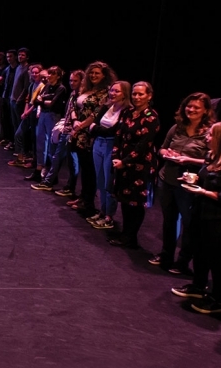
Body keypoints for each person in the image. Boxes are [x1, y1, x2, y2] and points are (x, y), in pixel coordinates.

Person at [171, 121, 221, 315]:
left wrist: (204, 192)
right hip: (201, 212)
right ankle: (198, 287)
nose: (207, 138)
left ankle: (217, 299)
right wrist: (193, 179)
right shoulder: (212, 156)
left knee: (217, 259)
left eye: (211, 135)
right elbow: (204, 177)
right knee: (199, 252)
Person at [151, 92, 211, 272]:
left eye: (196, 107)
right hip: (167, 178)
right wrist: (167, 154)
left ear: (206, 111)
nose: (191, 110)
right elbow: (162, 149)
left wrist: (188, 160)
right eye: (188, 106)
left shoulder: (209, 132)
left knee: (189, 223)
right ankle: (166, 254)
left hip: (189, 184)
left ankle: (183, 261)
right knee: (169, 220)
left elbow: (212, 159)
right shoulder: (177, 127)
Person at [109, 81, 160, 249]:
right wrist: (116, 156)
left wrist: (125, 162)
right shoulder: (127, 112)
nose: (137, 97)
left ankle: (131, 237)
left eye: (141, 94)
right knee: (124, 199)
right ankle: (126, 233)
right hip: (122, 161)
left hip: (140, 165)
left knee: (136, 203)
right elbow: (118, 135)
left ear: (149, 96)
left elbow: (144, 145)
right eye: (134, 94)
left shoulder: (151, 117)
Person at [66, 62, 115, 217]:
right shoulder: (85, 89)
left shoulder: (106, 93)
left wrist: (80, 127)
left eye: (97, 73)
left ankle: (89, 203)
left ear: (104, 76)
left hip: (90, 134)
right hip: (78, 131)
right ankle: (83, 197)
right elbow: (73, 104)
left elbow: (97, 114)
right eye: (92, 73)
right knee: (84, 168)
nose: (94, 76)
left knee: (90, 170)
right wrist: (74, 122)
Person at [88, 81, 130, 232]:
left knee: (109, 182)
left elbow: (112, 131)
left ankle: (109, 216)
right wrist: (97, 129)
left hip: (111, 146)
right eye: (111, 90)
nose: (112, 94)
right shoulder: (107, 106)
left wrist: (97, 129)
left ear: (125, 93)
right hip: (98, 144)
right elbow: (92, 126)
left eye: (117, 91)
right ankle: (102, 211)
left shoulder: (126, 111)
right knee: (99, 180)